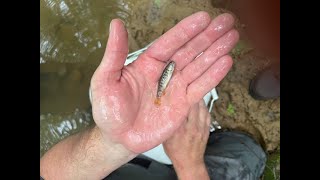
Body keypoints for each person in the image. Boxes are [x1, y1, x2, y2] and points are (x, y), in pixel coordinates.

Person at [40, 11, 266, 180]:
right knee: (247, 152)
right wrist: (190, 165)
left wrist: (112, 144)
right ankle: (237, 143)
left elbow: (49, 175)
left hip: (128, 166)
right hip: (183, 169)